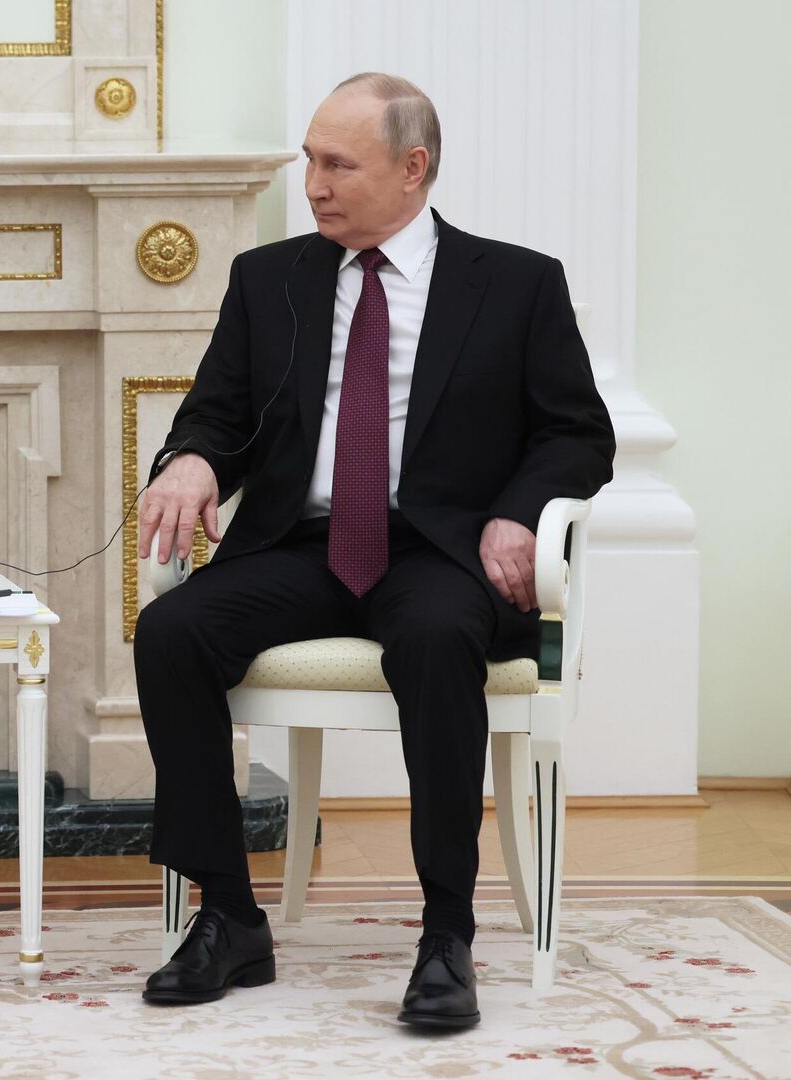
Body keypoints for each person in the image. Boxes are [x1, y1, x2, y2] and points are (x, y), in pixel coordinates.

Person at [131, 74, 614, 1029]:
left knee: (436, 639)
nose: (313, 183)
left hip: (440, 552)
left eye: (338, 164)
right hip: (302, 546)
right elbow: (218, 414)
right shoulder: (268, 279)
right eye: (311, 160)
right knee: (172, 630)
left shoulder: (516, 283)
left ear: (412, 167)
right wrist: (189, 461)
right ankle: (229, 916)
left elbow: (577, 434)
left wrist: (517, 513)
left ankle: (445, 935)